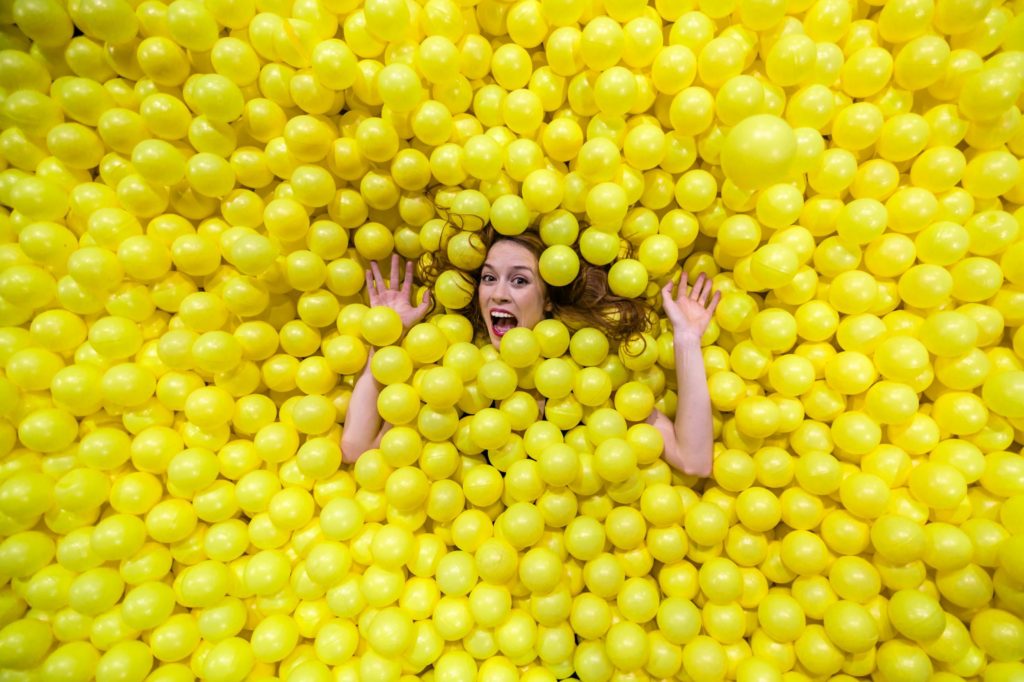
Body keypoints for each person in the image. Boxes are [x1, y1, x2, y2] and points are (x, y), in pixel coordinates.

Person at [341, 228, 720, 477]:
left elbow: (694, 460)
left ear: (549, 301)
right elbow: (358, 450)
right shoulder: (451, 374)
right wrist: (387, 339)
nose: (498, 293)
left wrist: (686, 340)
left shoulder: (589, 381)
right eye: (489, 277)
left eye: (519, 280)